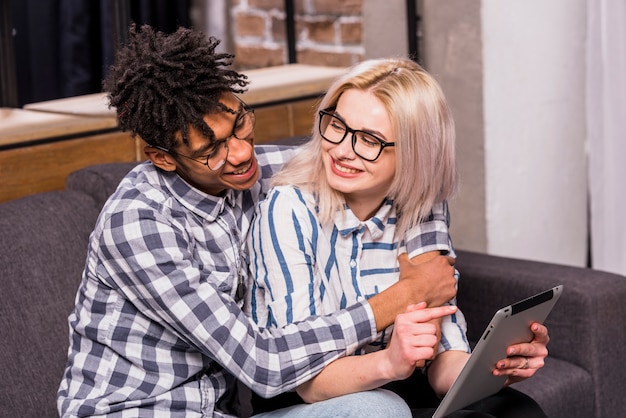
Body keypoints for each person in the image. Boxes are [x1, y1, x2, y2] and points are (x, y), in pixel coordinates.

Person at [56, 25, 460, 417]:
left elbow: (402, 175)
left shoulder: (266, 168)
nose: (240, 154)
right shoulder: (139, 225)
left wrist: (429, 252)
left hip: (221, 411)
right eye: (211, 149)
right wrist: (405, 295)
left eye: (239, 124)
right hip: (138, 412)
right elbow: (262, 364)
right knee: (376, 412)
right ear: (162, 158)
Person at [245, 58, 550, 417]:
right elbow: (302, 377)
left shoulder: (420, 204)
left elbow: (442, 352)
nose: (343, 150)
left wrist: (494, 370)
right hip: (315, 391)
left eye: (370, 140)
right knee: (383, 409)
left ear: (414, 153)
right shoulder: (288, 207)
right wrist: (389, 362)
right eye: (337, 126)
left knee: (518, 410)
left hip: (400, 381)